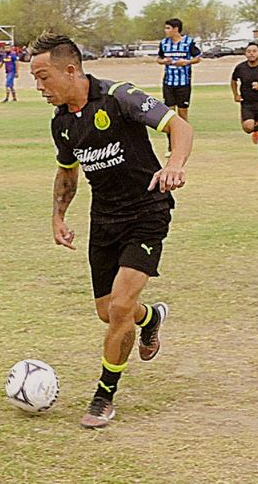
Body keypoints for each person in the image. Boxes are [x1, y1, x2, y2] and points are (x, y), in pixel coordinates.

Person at [29, 31, 193, 429]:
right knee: (110, 313)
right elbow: (67, 173)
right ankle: (150, 319)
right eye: (34, 79)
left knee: (119, 307)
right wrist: (57, 216)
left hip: (146, 212)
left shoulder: (121, 96)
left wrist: (174, 164)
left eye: (44, 76)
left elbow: (179, 128)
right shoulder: (62, 123)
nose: (38, 87)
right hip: (104, 221)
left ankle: (104, 395)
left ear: (70, 70)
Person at [156, 18, 201, 158]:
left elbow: (198, 57)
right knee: (169, 115)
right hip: (168, 83)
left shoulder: (188, 42)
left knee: (182, 116)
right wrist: (164, 61)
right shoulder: (164, 43)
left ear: (176, 29)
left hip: (183, 83)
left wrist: (186, 62)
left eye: (168, 28)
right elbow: (159, 58)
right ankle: (171, 146)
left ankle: (183, 146)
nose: (166, 31)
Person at [230, 42, 258, 159]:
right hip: (247, 102)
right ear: (245, 53)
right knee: (248, 127)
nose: (251, 54)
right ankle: (255, 131)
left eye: (254, 51)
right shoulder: (240, 67)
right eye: (249, 51)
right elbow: (233, 81)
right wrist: (236, 95)